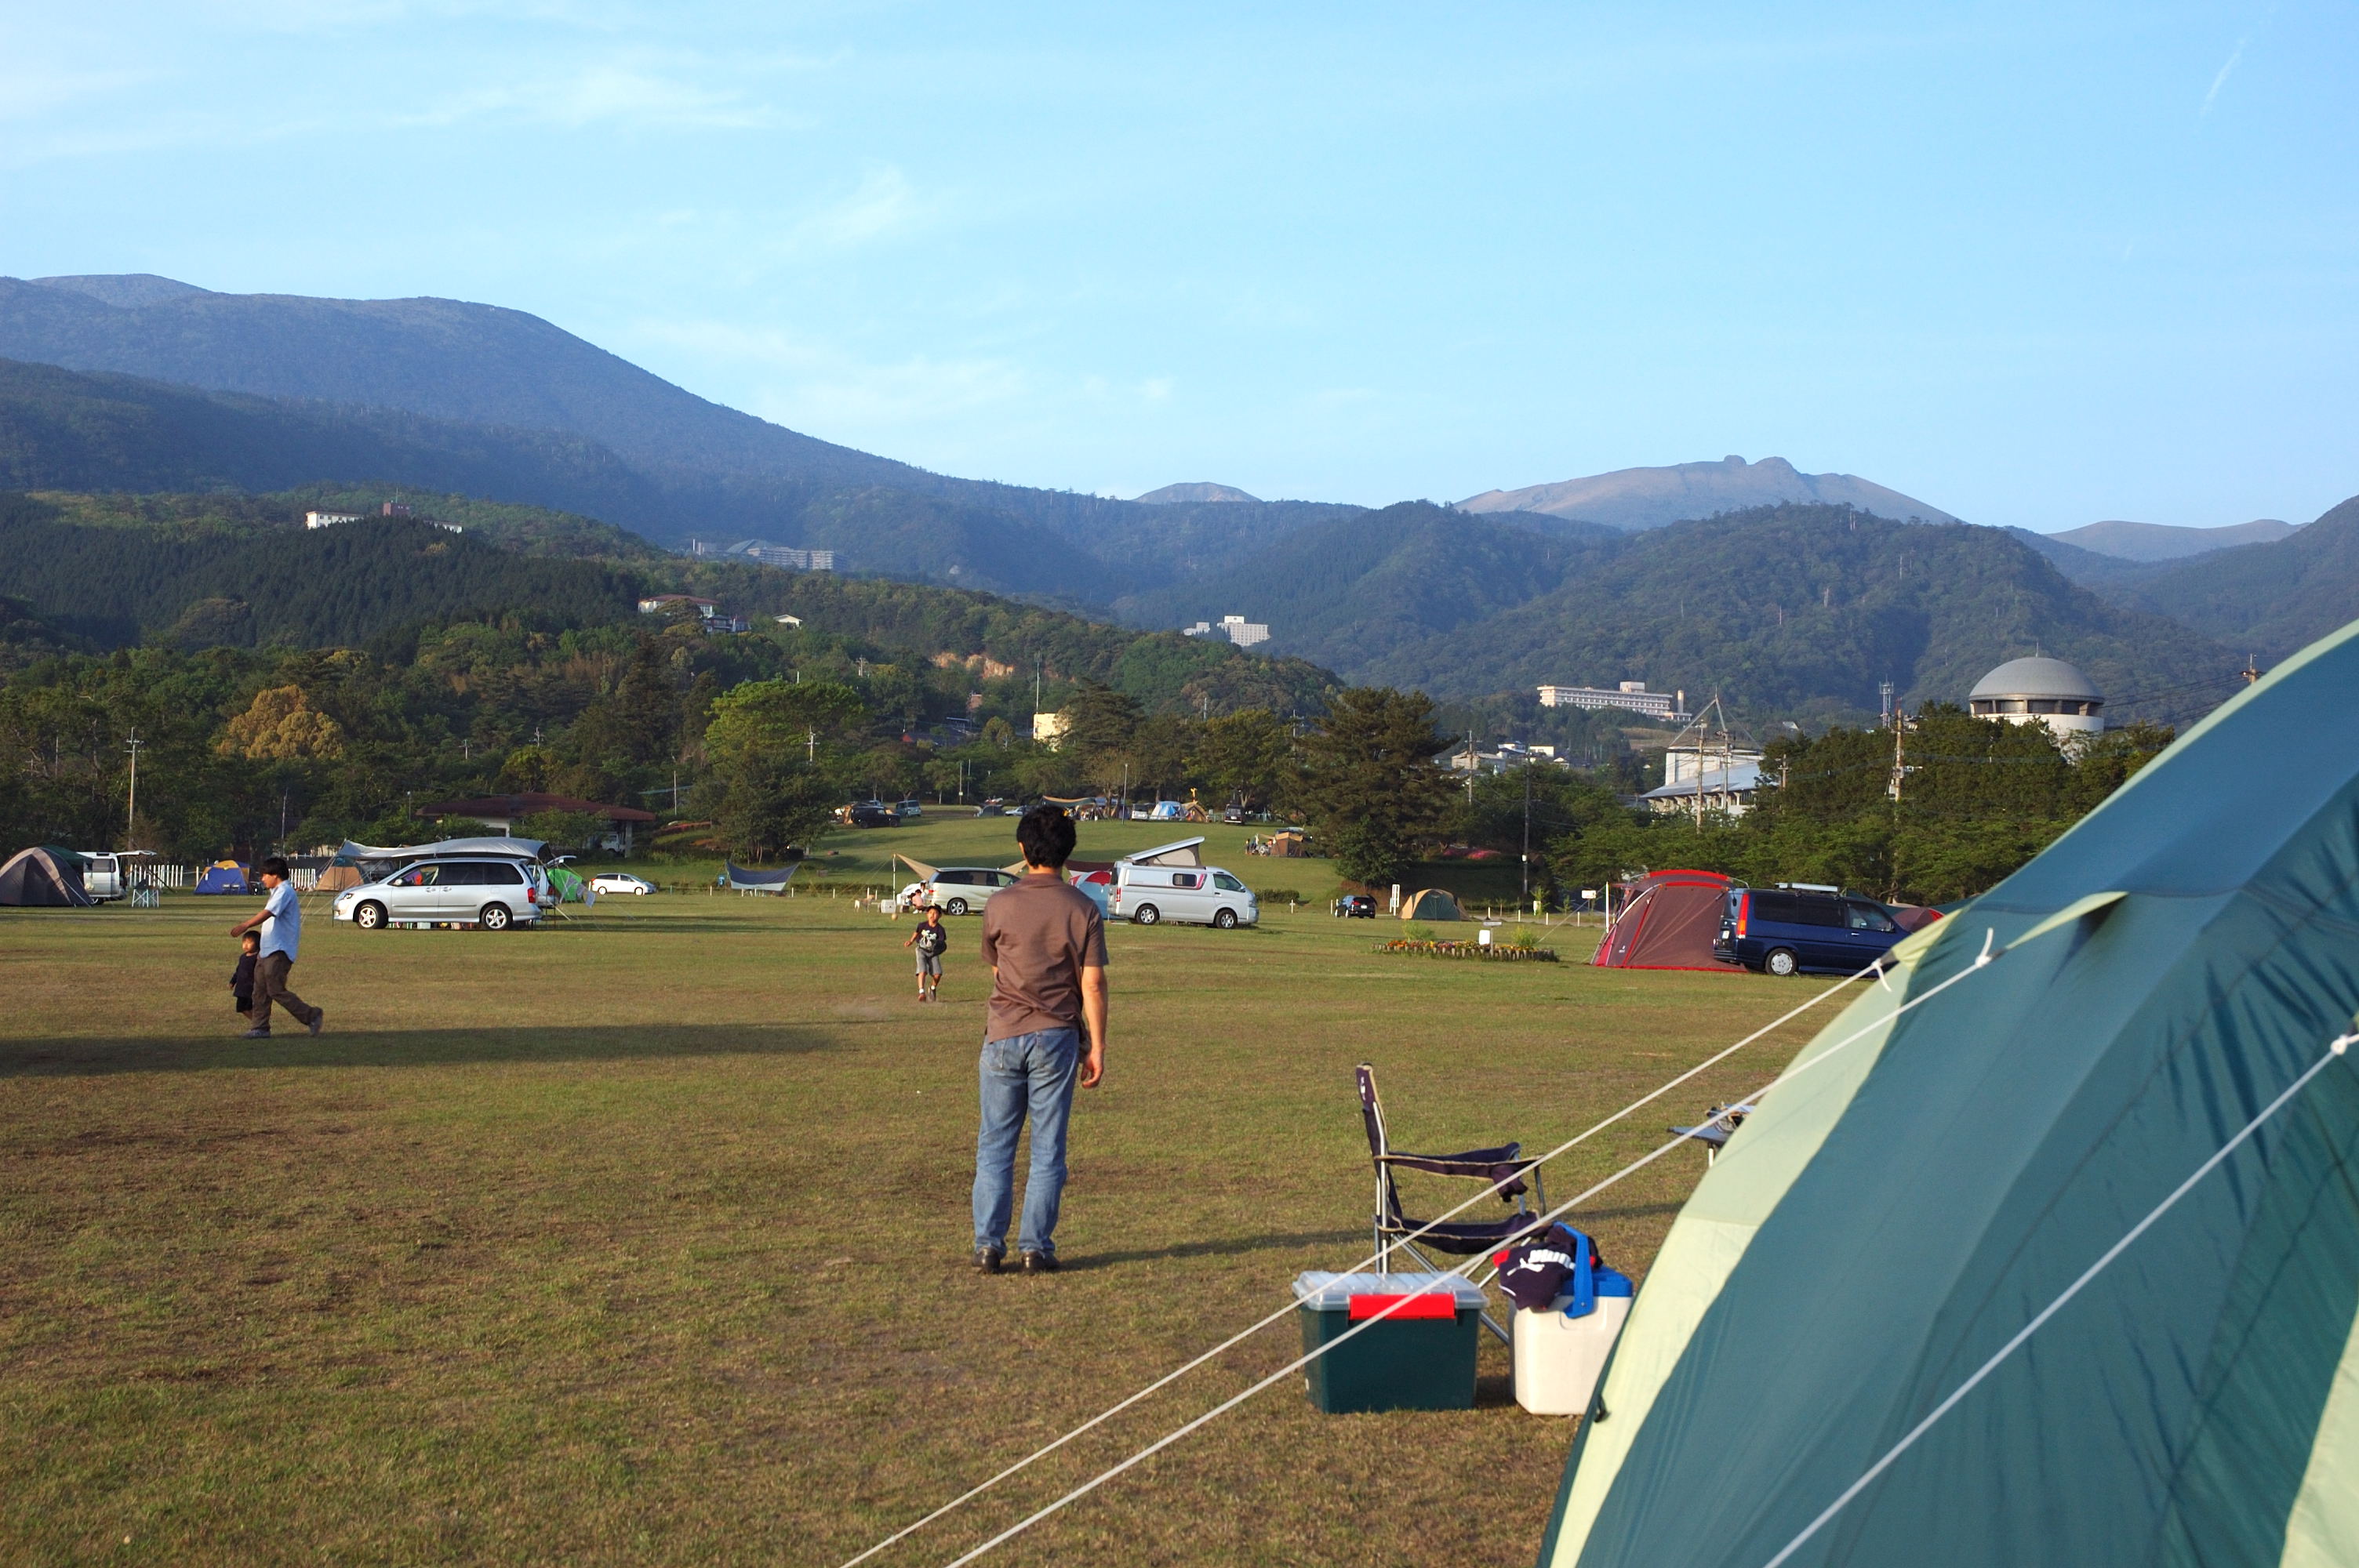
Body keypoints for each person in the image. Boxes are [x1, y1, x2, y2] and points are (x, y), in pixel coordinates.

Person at [971, 804, 1107, 1275]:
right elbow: (1091, 984)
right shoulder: (1083, 908)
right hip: (1057, 1038)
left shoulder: (999, 904)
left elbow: (996, 966)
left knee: (995, 1145)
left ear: (1022, 849)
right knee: (1048, 1148)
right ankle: (1035, 1248)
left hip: (1003, 1035)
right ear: (1068, 853)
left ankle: (988, 1246)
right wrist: (1099, 1046)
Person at [230, 856, 323, 1040]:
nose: (263, 879)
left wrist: (245, 925)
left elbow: (268, 913)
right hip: (266, 950)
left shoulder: (284, 891)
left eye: (265, 875)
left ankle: (312, 1015)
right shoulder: (277, 892)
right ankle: (260, 1028)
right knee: (259, 992)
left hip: (279, 951)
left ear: (276, 875)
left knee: (275, 990)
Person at [905, 903, 949, 1002]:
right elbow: (917, 932)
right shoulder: (922, 925)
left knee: (937, 975)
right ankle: (921, 992)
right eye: (930, 913)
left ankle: (932, 988)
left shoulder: (940, 929)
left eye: (935, 913)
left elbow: (942, 942)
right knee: (923, 971)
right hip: (921, 950)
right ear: (927, 914)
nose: (932, 915)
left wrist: (937, 945)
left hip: (933, 953)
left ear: (940, 915)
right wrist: (911, 941)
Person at [231, 930, 260, 1021]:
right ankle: (258, 1022)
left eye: (249, 942)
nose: (246, 945)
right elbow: (238, 970)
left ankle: (258, 1023)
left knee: (248, 1007)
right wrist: (233, 981)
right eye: (244, 942)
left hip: (251, 988)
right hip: (242, 988)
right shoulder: (243, 957)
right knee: (241, 1008)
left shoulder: (259, 957)